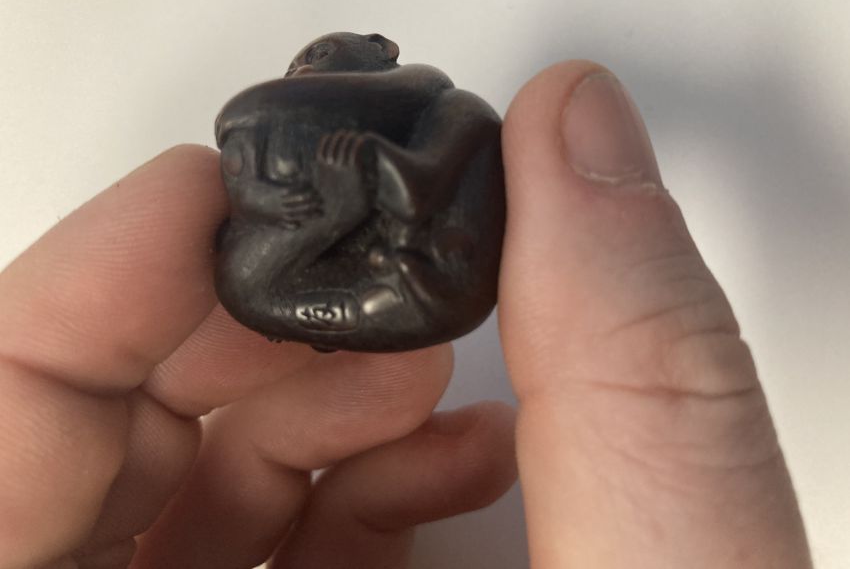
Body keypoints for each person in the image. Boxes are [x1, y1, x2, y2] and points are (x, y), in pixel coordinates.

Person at [0, 61, 811, 568]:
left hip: (422, 233)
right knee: (350, 281)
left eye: (266, 155)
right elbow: (286, 289)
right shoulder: (244, 271)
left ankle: (412, 184)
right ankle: (410, 194)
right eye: (251, 163)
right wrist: (334, 213)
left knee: (464, 119)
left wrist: (367, 191)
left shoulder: (422, 107)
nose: (257, 173)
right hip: (402, 282)